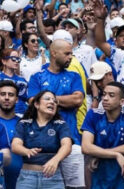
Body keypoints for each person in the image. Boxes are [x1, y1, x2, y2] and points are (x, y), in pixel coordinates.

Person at [26, 39, 84, 189]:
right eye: (67, 53)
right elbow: (33, 101)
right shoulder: (37, 77)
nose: (70, 57)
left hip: (71, 140)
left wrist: (48, 100)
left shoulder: (74, 76)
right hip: (43, 144)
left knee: (76, 187)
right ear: (53, 53)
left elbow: (78, 99)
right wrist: (65, 100)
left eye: (71, 53)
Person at [80, 81, 124, 189]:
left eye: (111, 95)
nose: (105, 98)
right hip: (98, 176)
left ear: (122, 101)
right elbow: (85, 147)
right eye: (104, 94)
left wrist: (98, 154)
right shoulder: (93, 114)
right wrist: (116, 155)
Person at [11, 90, 72, 189]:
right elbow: (15, 146)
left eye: (54, 101)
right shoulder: (24, 123)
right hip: (27, 178)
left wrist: (55, 160)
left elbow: (67, 146)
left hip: (53, 178)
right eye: (47, 99)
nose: (52, 102)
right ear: (36, 104)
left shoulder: (61, 124)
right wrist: (27, 151)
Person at [0, 80, 22, 189]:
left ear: (17, 99)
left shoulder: (24, 123)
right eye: (3, 94)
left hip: (21, 182)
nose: (6, 98)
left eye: (11, 95)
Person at [0, 48, 28, 116]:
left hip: (21, 114)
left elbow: (26, 99)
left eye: (18, 59)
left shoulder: (23, 81)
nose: (16, 61)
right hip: (0, 113)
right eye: (13, 59)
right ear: (4, 61)